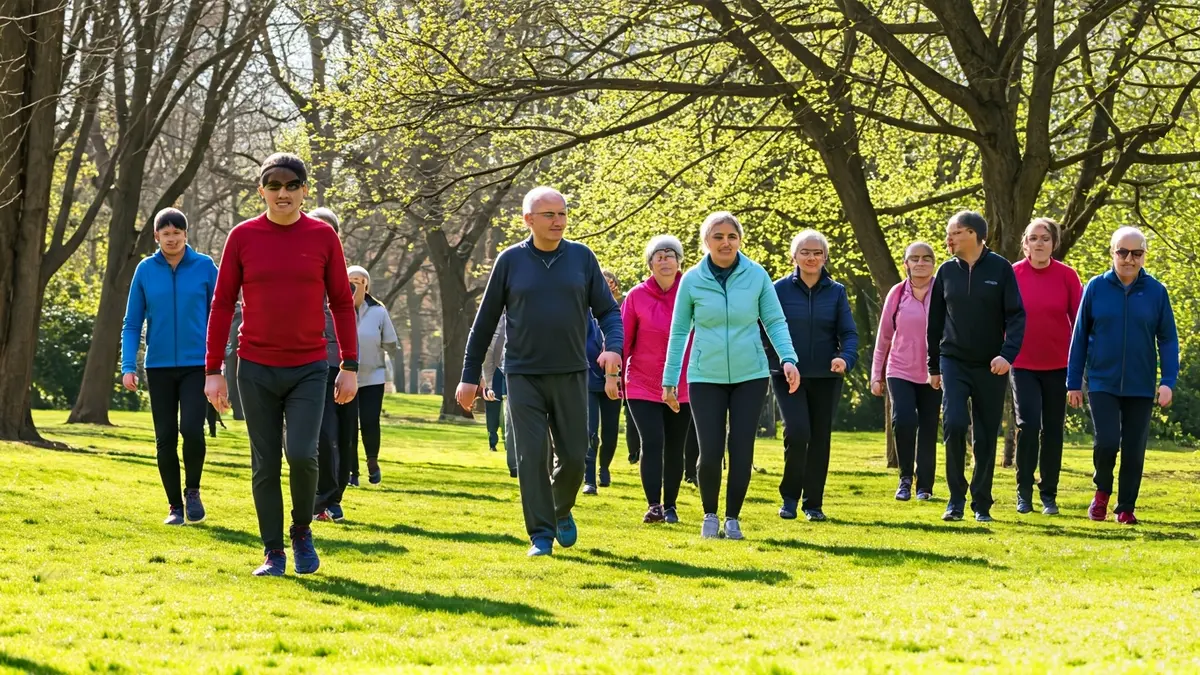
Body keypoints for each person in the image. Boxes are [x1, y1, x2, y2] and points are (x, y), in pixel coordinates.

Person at [204, 153, 358, 577]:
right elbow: (221, 306)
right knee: (265, 461)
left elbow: (342, 303)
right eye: (274, 185)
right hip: (254, 366)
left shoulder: (323, 237)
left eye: (292, 185)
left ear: (305, 190)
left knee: (303, 454)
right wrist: (213, 371)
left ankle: (303, 531)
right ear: (261, 191)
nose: (283, 193)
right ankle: (273, 551)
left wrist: (349, 364)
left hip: (310, 366)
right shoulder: (242, 236)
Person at [456, 186, 623, 557]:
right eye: (549, 215)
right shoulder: (510, 261)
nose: (558, 221)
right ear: (528, 220)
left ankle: (560, 508)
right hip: (522, 374)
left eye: (562, 213)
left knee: (577, 455)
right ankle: (541, 536)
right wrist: (470, 375)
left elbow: (609, 311)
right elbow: (483, 324)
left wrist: (613, 347)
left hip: (570, 373)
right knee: (531, 457)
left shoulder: (582, 258)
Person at [663, 212, 800, 540]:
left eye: (731, 236)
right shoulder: (692, 280)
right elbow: (679, 330)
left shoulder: (757, 276)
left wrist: (789, 358)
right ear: (706, 241)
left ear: (740, 240)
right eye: (718, 236)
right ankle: (710, 514)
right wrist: (670, 379)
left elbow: (775, 321)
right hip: (704, 376)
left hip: (749, 375)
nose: (725, 242)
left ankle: (733, 518)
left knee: (741, 448)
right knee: (709, 451)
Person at [1068, 226, 1177, 525]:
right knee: (1106, 442)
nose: (1129, 259)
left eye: (1136, 253)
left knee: (1133, 447)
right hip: (1102, 381)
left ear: (1144, 256)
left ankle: (1126, 507)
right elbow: (1079, 337)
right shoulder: (1095, 287)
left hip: (1141, 385)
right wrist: (1073, 382)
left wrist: (1168, 381)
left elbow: (1168, 339)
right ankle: (1101, 491)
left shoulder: (1156, 291)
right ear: (1112, 253)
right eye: (1123, 252)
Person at [121, 208, 218, 526]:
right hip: (159, 366)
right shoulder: (145, 270)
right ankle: (175, 506)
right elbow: (132, 322)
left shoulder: (204, 267)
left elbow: (220, 315)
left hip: (196, 366)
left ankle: (193, 491)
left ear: (185, 235)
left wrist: (218, 360)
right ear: (157, 237)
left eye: (177, 233)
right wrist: (128, 365)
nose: (172, 238)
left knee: (192, 429)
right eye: (166, 233)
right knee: (165, 437)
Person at [927, 210, 1025, 523]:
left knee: (984, 436)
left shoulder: (1001, 268)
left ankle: (981, 503)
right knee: (954, 424)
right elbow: (935, 323)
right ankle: (955, 500)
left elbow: (1017, 316)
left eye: (953, 233)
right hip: (953, 361)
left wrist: (1007, 355)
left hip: (991, 366)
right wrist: (933, 366)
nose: (948, 239)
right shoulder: (945, 272)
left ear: (972, 234)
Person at [769, 229, 858, 522]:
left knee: (819, 438)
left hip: (826, 376)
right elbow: (765, 330)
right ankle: (790, 497)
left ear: (825, 257)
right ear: (793, 256)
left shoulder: (836, 291)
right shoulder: (777, 290)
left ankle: (813, 503)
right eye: (805, 252)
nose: (811, 257)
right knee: (797, 432)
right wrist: (780, 362)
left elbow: (849, 333)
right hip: (787, 375)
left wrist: (845, 359)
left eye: (817, 252)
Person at [1011, 218, 1082, 516]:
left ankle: (1048, 495)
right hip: (1022, 363)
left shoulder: (1067, 276)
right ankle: (1023, 492)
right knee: (1028, 426)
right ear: (1025, 243)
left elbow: (1080, 322)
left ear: (1054, 243)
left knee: (1052, 430)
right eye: (1033, 238)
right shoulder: (1012, 274)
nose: (1039, 243)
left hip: (1058, 366)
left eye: (1045, 238)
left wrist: (1079, 371)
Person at [623, 235, 692, 523]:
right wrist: (612, 374)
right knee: (652, 441)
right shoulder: (636, 296)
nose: (665, 260)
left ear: (679, 261)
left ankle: (671, 505)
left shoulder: (692, 293)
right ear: (650, 263)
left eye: (670, 255)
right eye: (659, 256)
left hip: (683, 384)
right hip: (641, 382)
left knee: (676, 446)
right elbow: (624, 339)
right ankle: (654, 505)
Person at [872, 242, 940, 503]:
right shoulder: (897, 293)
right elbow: (884, 336)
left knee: (928, 426)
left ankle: (925, 486)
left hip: (934, 372)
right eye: (915, 258)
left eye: (926, 258)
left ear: (934, 263)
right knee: (904, 420)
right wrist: (876, 374)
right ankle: (905, 479)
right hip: (899, 370)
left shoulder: (943, 291)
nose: (921, 263)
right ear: (906, 264)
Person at [307, 207, 360, 524]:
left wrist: (349, 366)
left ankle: (332, 497)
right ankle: (320, 496)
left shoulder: (343, 276)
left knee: (339, 434)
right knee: (316, 434)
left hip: (339, 366)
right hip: (306, 362)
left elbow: (350, 324)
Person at [347, 264, 398, 486]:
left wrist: (380, 348)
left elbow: (391, 343)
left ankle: (372, 462)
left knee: (369, 421)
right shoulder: (335, 309)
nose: (356, 284)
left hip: (373, 377)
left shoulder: (378, 310)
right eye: (351, 280)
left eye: (360, 280)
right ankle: (352, 472)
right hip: (345, 376)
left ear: (367, 285)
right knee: (347, 425)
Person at [605, 269, 643, 466]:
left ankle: (637, 449)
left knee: (631, 413)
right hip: (604, 367)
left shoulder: (625, 300)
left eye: (610, 280)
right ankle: (634, 451)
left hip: (629, 366)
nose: (608, 283)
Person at [584, 312, 621, 495]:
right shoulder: (583, 316)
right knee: (590, 432)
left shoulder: (616, 319)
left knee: (610, 432)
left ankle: (604, 466)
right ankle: (589, 479)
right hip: (588, 381)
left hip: (614, 381)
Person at [480, 315, 516, 476]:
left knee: (512, 412)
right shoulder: (497, 320)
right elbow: (488, 353)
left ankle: (511, 448)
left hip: (515, 370)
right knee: (493, 406)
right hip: (497, 371)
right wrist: (487, 384)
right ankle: (492, 439)